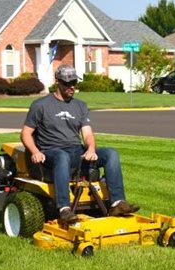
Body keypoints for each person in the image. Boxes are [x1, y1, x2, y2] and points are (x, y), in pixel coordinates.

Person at [21, 64, 139, 224]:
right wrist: (35, 151)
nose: (72, 87)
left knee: (111, 153)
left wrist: (91, 149)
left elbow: (88, 134)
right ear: (58, 82)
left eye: (74, 83)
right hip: (51, 152)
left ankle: (117, 203)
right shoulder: (40, 105)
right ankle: (64, 208)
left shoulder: (80, 106)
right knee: (62, 156)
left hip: (76, 151)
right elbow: (26, 133)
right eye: (68, 83)